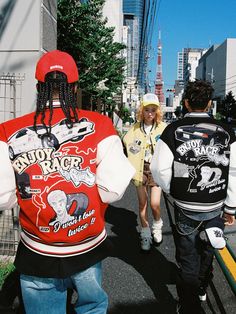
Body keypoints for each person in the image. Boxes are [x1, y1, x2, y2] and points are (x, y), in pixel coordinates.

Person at [0, 50, 135, 314]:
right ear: (73, 87)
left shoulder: (8, 130)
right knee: (92, 307)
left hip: (37, 248)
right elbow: (112, 191)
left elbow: (3, 196)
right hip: (86, 244)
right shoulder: (101, 124)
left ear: (39, 87)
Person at [150, 80, 236, 314]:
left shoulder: (172, 131)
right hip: (214, 204)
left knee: (187, 255)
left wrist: (172, 189)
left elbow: (158, 169)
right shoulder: (227, 132)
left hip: (185, 204)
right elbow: (235, 171)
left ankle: (188, 304)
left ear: (186, 102)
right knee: (207, 251)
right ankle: (201, 288)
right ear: (210, 103)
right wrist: (231, 207)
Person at [123, 93, 166, 251]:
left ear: (157, 112)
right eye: (147, 109)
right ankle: (146, 234)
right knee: (142, 204)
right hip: (140, 169)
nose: (150, 113)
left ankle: (157, 225)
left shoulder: (163, 128)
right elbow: (126, 144)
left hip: (156, 169)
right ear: (142, 111)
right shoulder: (134, 128)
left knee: (154, 204)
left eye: (153, 110)